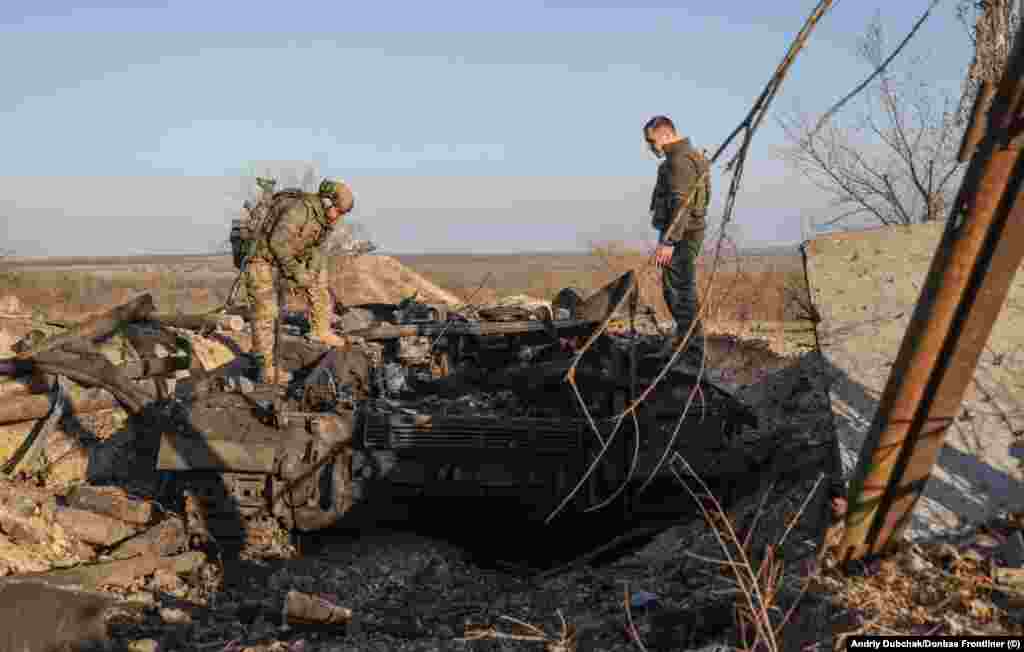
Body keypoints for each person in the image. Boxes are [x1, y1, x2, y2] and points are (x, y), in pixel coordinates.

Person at [243, 177, 355, 383]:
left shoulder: (324, 220)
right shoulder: (299, 211)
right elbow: (277, 243)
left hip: (289, 258)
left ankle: (320, 329)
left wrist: (310, 272)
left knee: (320, 277)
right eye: (338, 211)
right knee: (266, 312)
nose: (339, 217)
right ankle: (265, 368)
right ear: (327, 202)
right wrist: (297, 272)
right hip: (262, 259)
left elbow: (318, 250)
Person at [644, 115, 711, 362]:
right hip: (688, 230)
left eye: (651, 142)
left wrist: (669, 242)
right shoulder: (691, 156)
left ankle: (691, 350)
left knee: (678, 290)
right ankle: (688, 343)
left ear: (664, 134)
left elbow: (681, 204)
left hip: (682, 234)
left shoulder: (679, 161)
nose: (651, 148)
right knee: (681, 287)